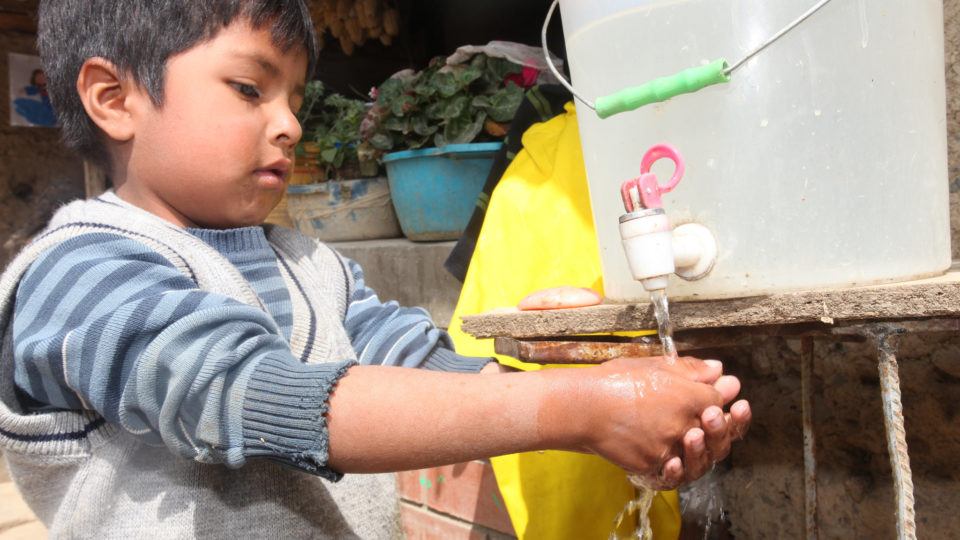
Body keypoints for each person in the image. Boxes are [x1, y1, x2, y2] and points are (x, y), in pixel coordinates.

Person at [0, 1, 751, 538]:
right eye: (250, 88)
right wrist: (574, 408)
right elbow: (238, 392)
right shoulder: (77, 273)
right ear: (113, 97)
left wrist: (591, 390)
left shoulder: (308, 262)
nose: (290, 122)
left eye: (294, 95)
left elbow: (420, 366)